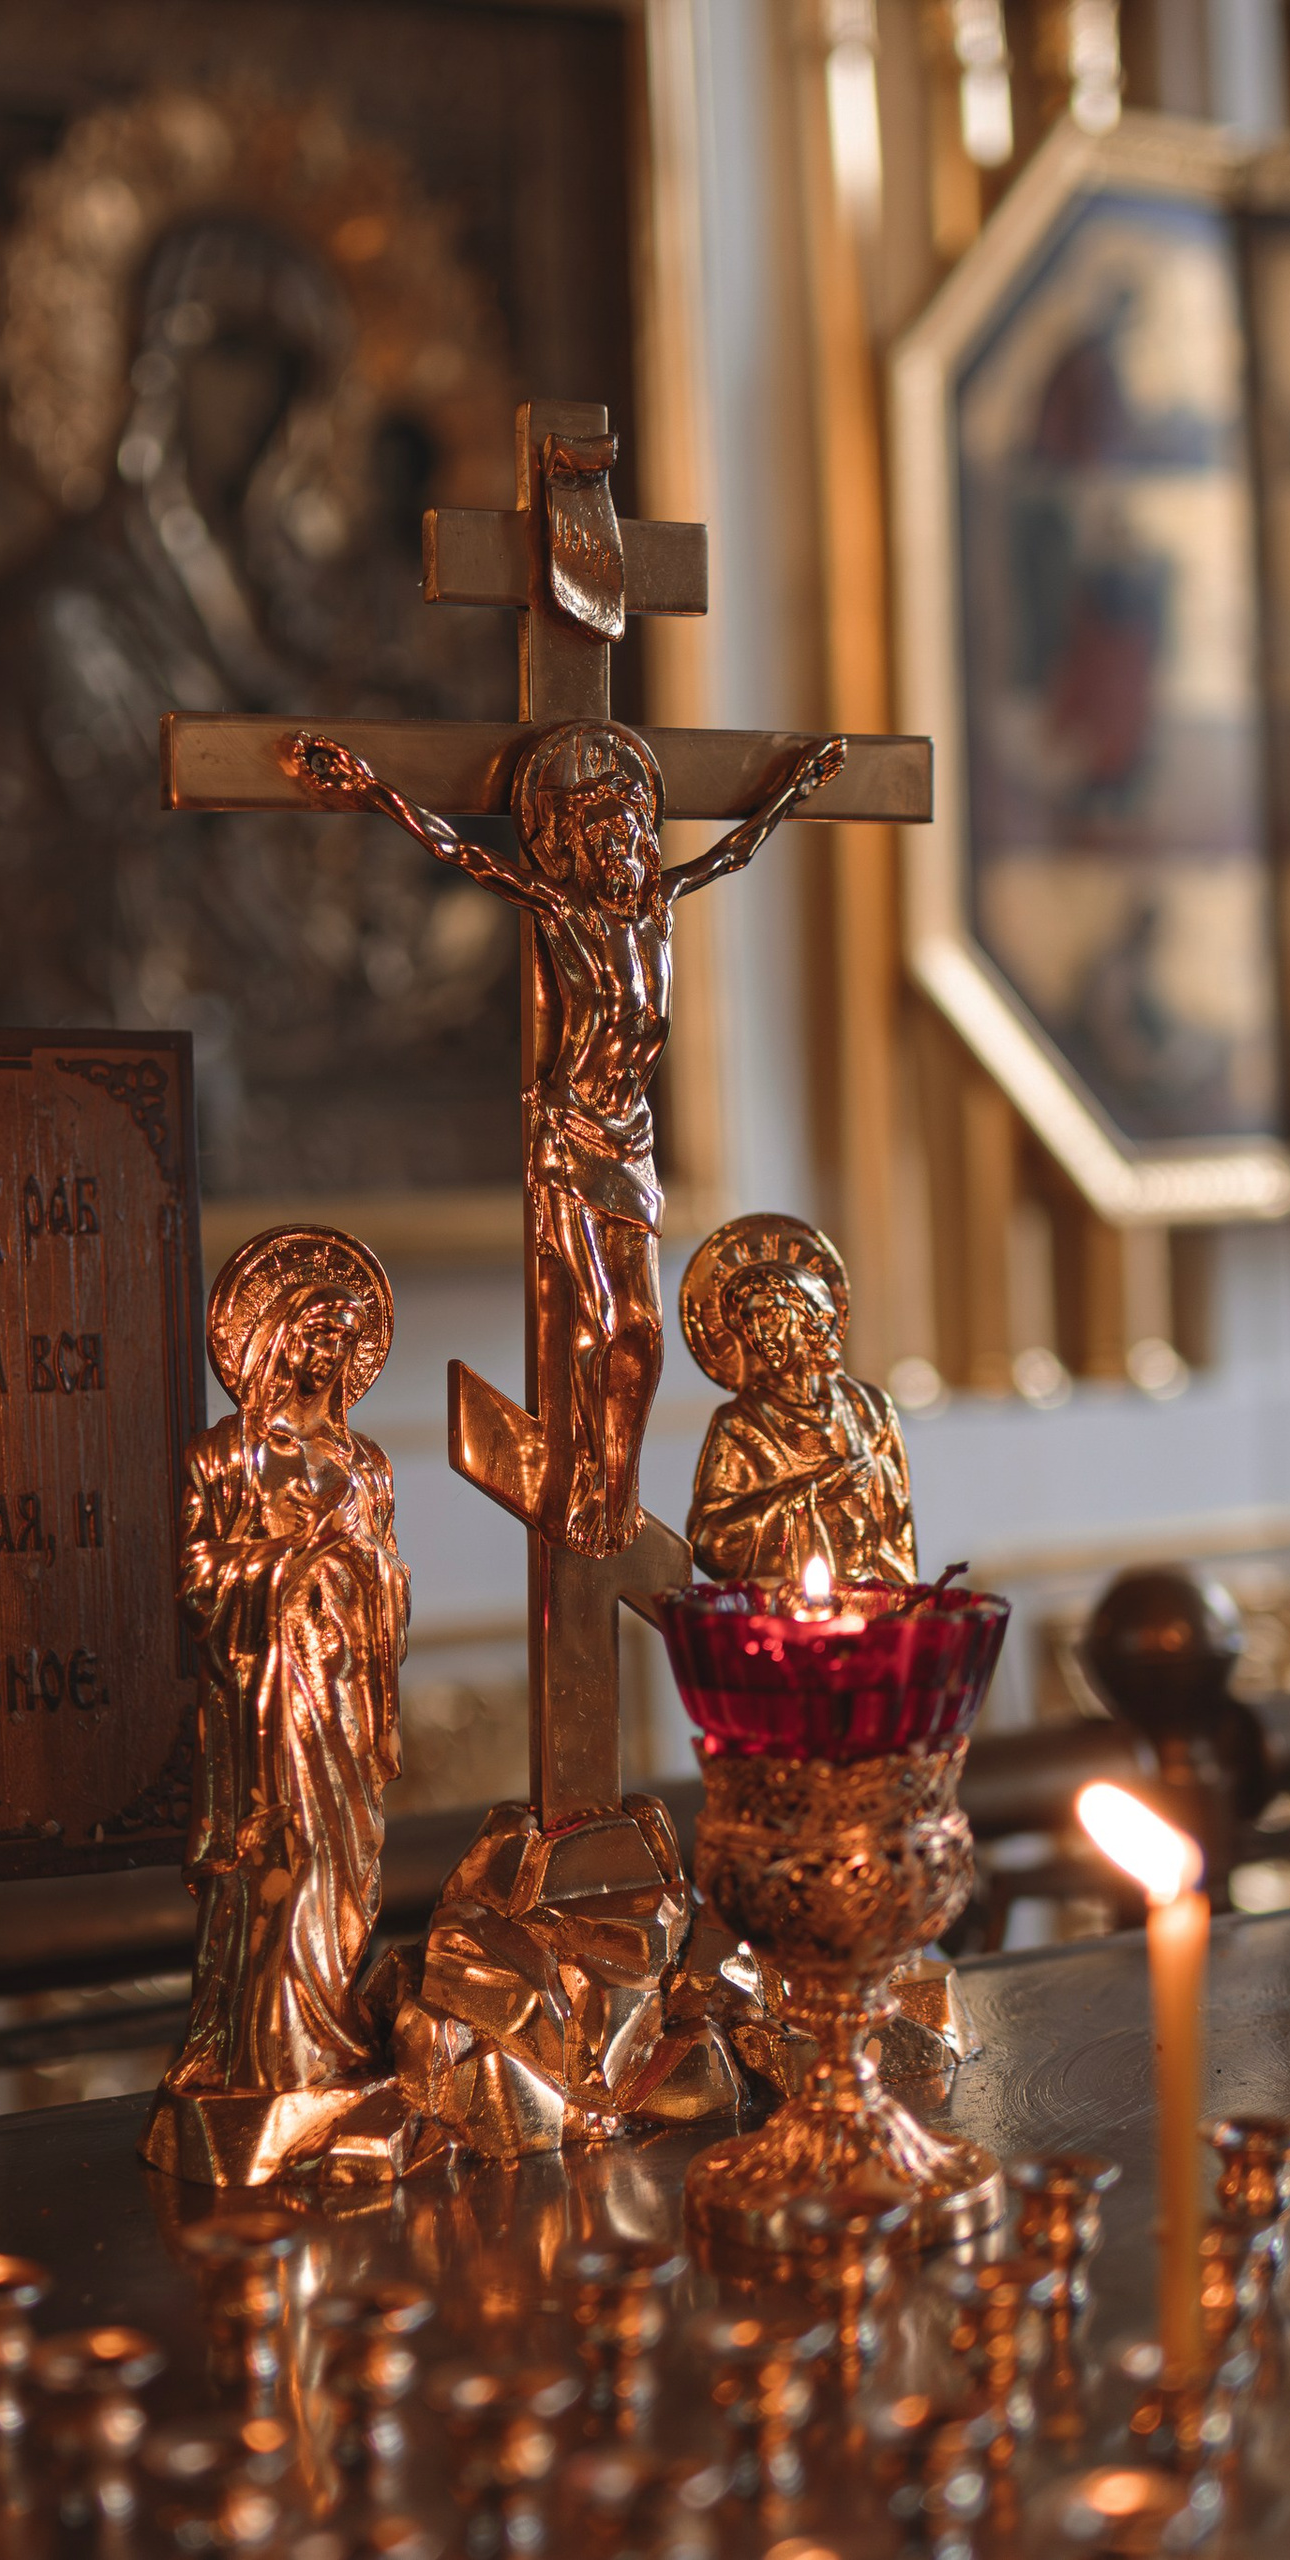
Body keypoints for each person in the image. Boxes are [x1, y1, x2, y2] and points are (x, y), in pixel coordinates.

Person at [285, 719, 844, 1556]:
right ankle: (593, 1478)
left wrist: (796, 789)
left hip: (632, 1139)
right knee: (601, 1323)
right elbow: (461, 855)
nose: (623, 847)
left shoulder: (658, 907)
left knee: (644, 1333)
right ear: (578, 849)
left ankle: (616, 1475)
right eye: (605, 835)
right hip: (574, 1138)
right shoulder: (566, 912)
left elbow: (736, 852)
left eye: (631, 831)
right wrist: (369, 788)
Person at [169, 1227, 409, 2098]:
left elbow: (387, 1568)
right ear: (273, 1337)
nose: (328, 1350)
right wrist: (297, 1563)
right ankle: (270, 2055)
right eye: (314, 1331)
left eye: (344, 1338)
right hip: (271, 1698)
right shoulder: (223, 1457)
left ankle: (332, 2032)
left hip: (346, 1686)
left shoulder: (366, 1463)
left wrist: (368, 1572)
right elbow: (197, 1580)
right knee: (286, 1852)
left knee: (349, 1860)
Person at [679, 1215, 916, 1586]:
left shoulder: (870, 1409)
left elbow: (897, 1528)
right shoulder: (741, 1422)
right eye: (748, 1320)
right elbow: (711, 1541)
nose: (759, 1333)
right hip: (786, 1614)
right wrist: (816, 1494)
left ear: (809, 1316)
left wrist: (907, 1611)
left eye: (770, 1314)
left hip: (873, 1604)